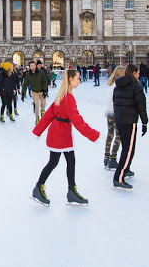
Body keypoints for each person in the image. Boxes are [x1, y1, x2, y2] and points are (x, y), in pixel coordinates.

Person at [31, 69, 100, 206]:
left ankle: (71, 191)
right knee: (54, 162)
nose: (79, 81)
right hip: (59, 135)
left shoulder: (62, 95)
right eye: (77, 79)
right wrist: (94, 135)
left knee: (70, 161)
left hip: (61, 133)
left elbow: (49, 114)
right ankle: (39, 187)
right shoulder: (67, 97)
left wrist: (38, 131)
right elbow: (77, 120)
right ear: (70, 79)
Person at [112, 64, 148, 191]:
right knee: (128, 149)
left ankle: (125, 169)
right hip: (129, 120)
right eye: (138, 73)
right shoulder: (136, 86)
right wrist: (145, 122)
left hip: (120, 119)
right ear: (134, 73)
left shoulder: (118, 86)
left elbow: (114, 102)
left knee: (126, 148)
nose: (139, 75)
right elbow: (141, 105)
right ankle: (118, 178)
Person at [104, 66, 126, 170]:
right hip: (116, 112)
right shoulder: (119, 85)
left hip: (109, 112)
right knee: (119, 135)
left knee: (110, 134)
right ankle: (113, 157)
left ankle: (106, 157)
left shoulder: (111, 83)